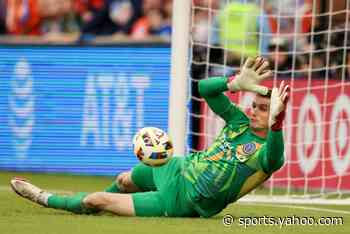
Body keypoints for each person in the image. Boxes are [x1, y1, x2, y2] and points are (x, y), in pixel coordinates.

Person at [10, 57, 290, 218]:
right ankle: (91, 207)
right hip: (178, 167)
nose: (253, 110)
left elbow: (275, 158)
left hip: (183, 201)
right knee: (123, 180)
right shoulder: (239, 121)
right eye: (254, 104)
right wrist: (234, 83)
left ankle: (46, 198)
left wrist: (277, 122)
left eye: (263, 109)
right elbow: (205, 89)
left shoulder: (267, 151)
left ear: (276, 113)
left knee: (98, 200)